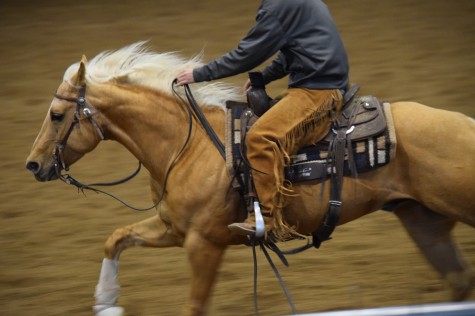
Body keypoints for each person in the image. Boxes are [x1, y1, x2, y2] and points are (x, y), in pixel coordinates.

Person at [176, 0, 349, 241]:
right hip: (321, 80)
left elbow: (246, 54)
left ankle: (267, 219)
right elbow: (295, 48)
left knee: (260, 138)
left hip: (317, 90)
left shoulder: (278, 6)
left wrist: (199, 74)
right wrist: (265, 76)